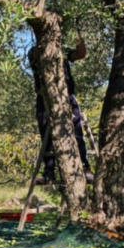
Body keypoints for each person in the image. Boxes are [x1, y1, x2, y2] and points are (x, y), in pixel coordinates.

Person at [27, 34, 94, 185]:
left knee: (76, 130)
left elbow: (80, 54)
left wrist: (80, 38)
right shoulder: (33, 52)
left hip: (67, 96)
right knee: (46, 132)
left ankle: (84, 167)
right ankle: (49, 172)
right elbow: (37, 55)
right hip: (44, 98)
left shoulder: (61, 51)